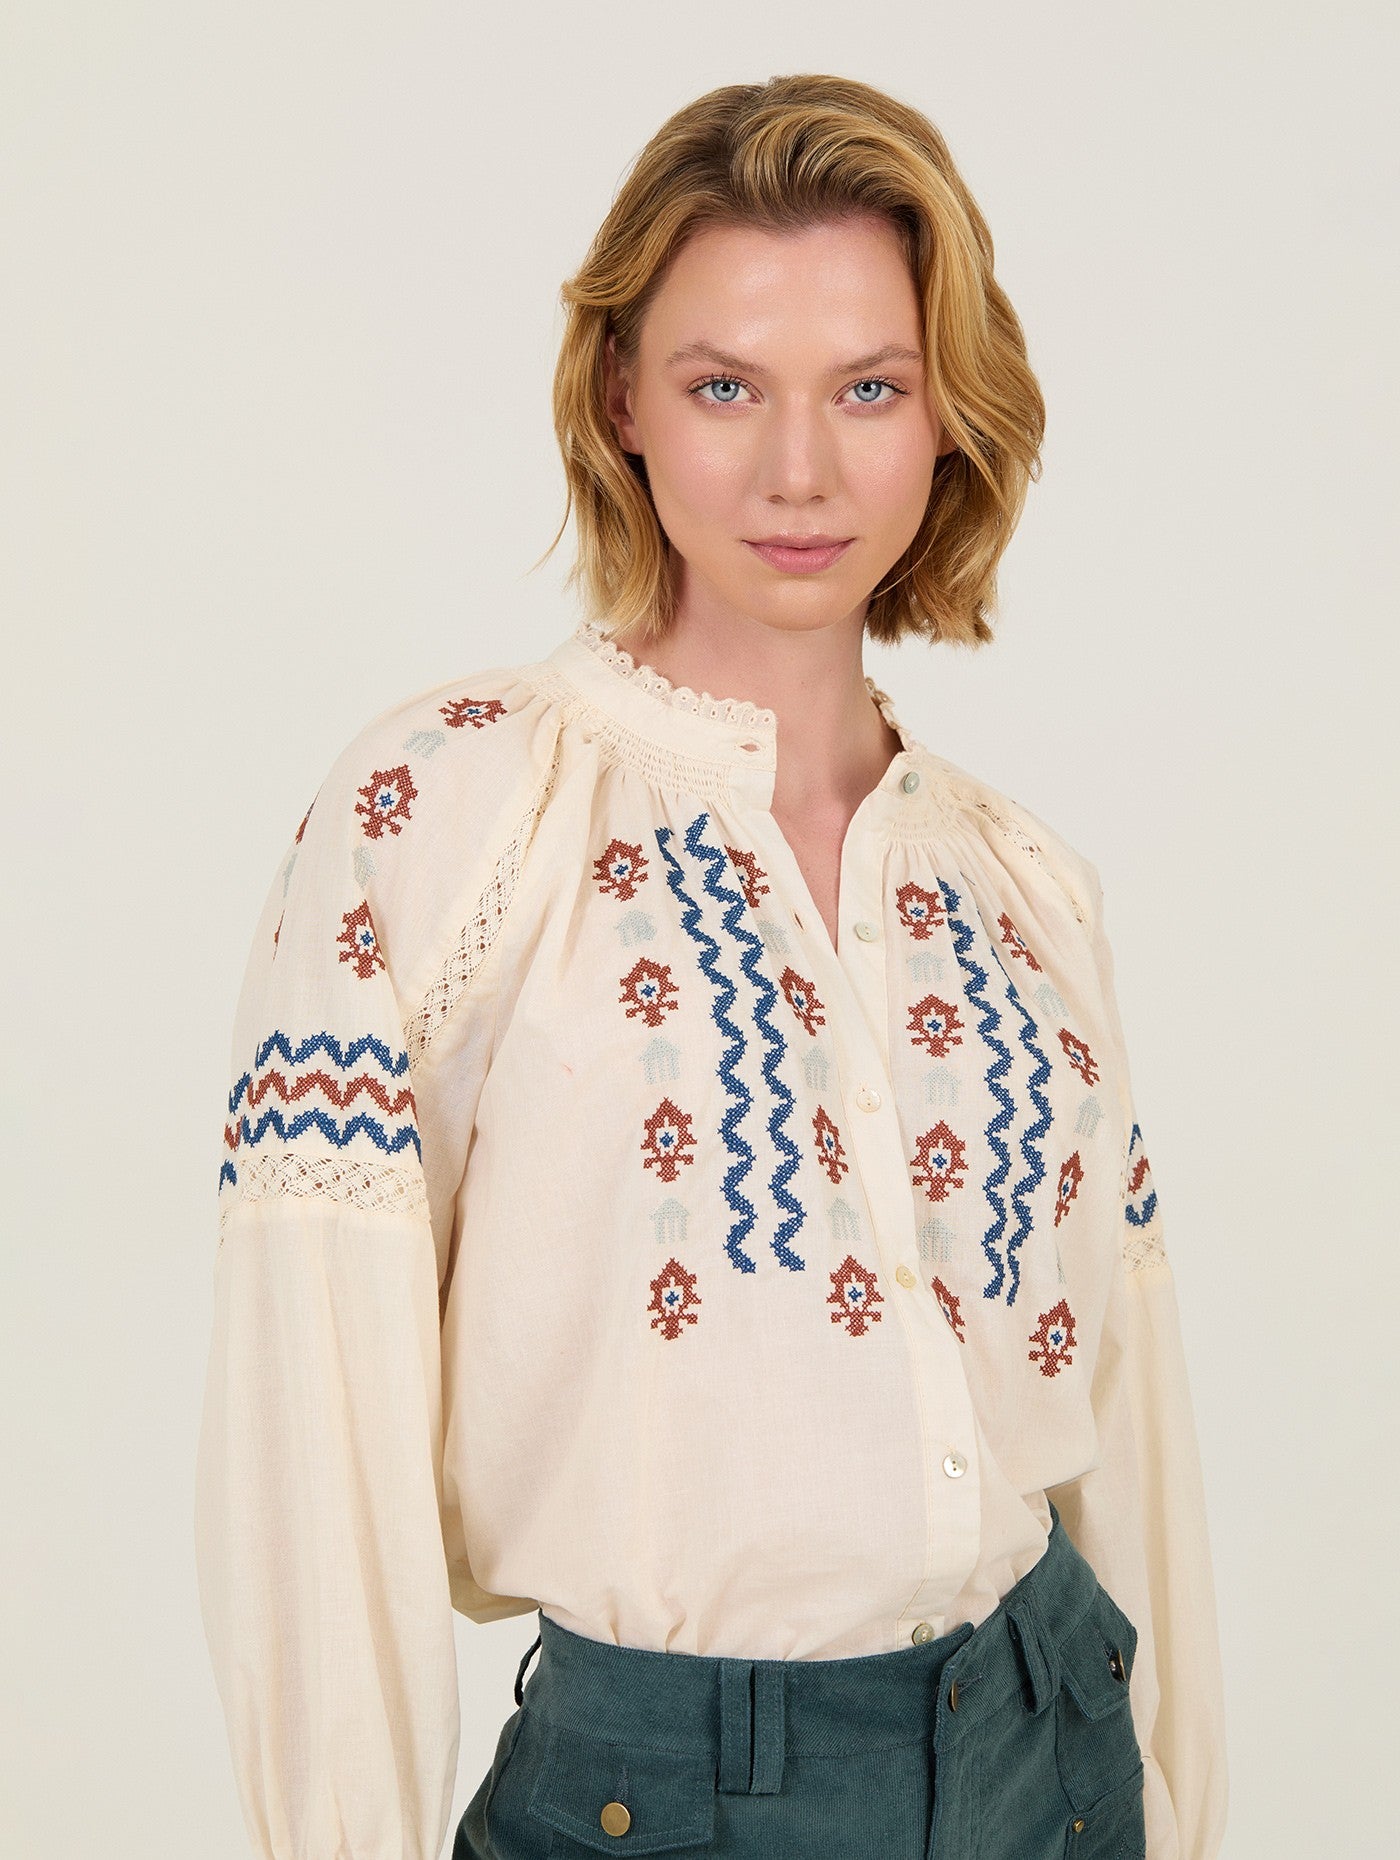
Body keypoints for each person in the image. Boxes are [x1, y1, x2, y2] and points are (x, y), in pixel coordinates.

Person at [194, 72, 1228, 1860]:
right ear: (622, 399)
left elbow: (1127, 1436)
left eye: (870, 387)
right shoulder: (446, 817)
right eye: (725, 386)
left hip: (1052, 1760)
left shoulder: (1023, 886)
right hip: (672, 1797)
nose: (798, 471)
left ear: (947, 411)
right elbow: (314, 1426)